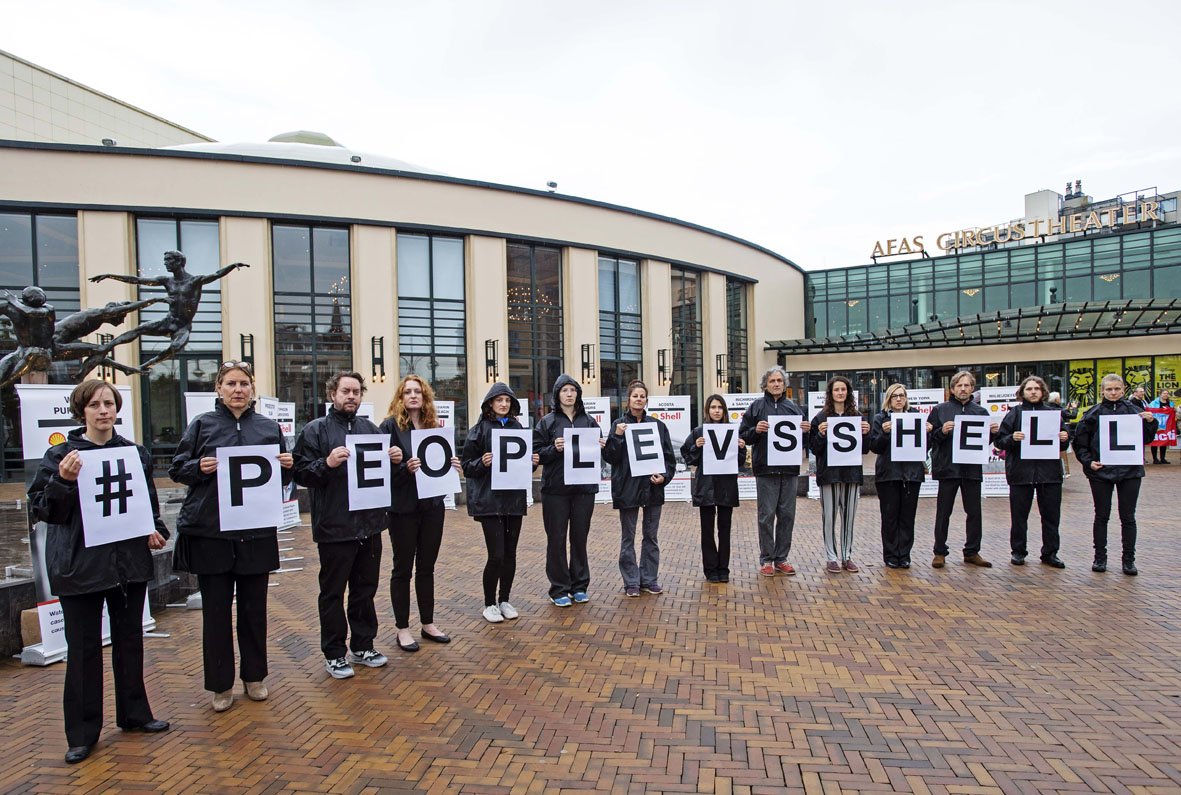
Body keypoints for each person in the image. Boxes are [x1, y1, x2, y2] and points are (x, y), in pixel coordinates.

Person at [28, 380, 170, 764]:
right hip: (80, 568)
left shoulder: (134, 453)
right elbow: (44, 512)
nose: (103, 410)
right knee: (85, 651)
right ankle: (82, 733)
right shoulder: (60, 455)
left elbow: (147, 504)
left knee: (130, 643)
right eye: (95, 405)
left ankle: (135, 714)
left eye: (109, 403)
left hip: (128, 566)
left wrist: (155, 529)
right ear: (82, 411)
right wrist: (64, 481)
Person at [170, 361, 292, 712]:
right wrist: (198, 468)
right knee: (216, 615)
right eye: (230, 384)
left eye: (244, 384)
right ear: (218, 388)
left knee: (255, 612)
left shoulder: (268, 428)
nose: (238, 390)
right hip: (213, 535)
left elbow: (281, 482)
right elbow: (177, 468)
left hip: (255, 535)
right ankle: (220, 685)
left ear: (252, 389)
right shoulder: (202, 426)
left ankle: (255, 677)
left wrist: (287, 468)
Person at [294, 371, 390, 678]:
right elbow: (299, 473)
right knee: (332, 592)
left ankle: (363, 646)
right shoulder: (315, 430)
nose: (351, 396)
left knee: (365, 589)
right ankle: (334, 652)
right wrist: (328, 463)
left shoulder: (372, 430)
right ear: (332, 394)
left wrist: (395, 459)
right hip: (335, 527)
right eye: (345, 391)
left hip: (370, 526)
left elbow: (382, 476)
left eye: (356, 392)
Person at [379, 375, 459, 651]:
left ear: (425, 397)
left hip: (432, 506)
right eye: (407, 392)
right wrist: (403, 469)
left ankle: (428, 623)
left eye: (418, 392)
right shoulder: (389, 427)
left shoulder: (432, 426)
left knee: (427, 566)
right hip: (402, 508)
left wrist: (451, 464)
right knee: (402, 568)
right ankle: (402, 628)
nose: (413, 396)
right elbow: (380, 471)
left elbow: (437, 464)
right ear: (400, 398)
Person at [85, 250, 248, 374]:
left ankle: (143, 366)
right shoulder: (166, 281)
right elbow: (137, 280)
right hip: (169, 320)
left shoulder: (194, 281)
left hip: (182, 326)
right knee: (139, 328)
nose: (165, 263)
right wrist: (110, 276)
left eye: (168, 260)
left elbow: (216, 274)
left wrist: (233, 266)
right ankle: (107, 347)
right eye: (165, 260)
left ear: (179, 262)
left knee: (174, 347)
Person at [463, 382, 538, 622]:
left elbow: (523, 465)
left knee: (510, 554)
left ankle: (504, 599)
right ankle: (489, 603)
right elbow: (467, 467)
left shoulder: (518, 428)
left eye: (507, 401)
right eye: (499, 400)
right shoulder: (479, 430)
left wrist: (534, 462)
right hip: (490, 501)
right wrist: (481, 463)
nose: (503, 404)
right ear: (490, 404)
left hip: (513, 501)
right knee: (496, 554)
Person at [1073, 373, 1157, 575]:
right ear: (1102, 390)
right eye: (1109, 389)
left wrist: (1150, 422)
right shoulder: (1093, 414)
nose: (1113, 393)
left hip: (1130, 472)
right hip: (1101, 472)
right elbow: (1080, 443)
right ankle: (1099, 558)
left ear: (1123, 390)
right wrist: (1088, 462)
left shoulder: (1135, 412)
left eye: (1117, 389)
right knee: (1101, 516)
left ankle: (1129, 560)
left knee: (1128, 517)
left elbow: (1146, 438)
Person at [534, 374, 604, 606]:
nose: (569, 394)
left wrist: (604, 444)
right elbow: (535, 455)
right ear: (557, 394)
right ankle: (559, 589)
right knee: (556, 538)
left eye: (573, 390)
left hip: (584, 489)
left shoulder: (590, 422)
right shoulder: (547, 422)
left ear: (578, 394)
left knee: (580, 538)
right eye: (564, 390)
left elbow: (600, 453)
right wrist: (553, 448)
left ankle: (580, 585)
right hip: (555, 489)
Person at [603, 380, 675, 597]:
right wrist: (616, 436)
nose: (639, 399)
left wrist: (664, 477)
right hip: (628, 489)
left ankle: (649, 579)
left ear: (646, 400)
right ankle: (631, 581)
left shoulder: (658, 426)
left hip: (652, 490)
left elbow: (669, 459)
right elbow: (610, 457)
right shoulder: (618, 425)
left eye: (642, 396)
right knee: (628, 538)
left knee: (651, 537)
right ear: (629, 399)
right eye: (635, 396)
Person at [738, 366, 810, 577]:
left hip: (789, 470)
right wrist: (755, 431)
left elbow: (804, 443)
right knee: (766, 515)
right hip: (766, 470)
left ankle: (782, 558)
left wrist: (807, 431)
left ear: (784, 384)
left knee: (787, 515)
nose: (776, 384)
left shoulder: (794, 409)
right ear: (765, 384)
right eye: (772, 381)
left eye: (779, 380)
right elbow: (743, 436)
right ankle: (767, 558)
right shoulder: (756, 407)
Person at [993, 376, 1070, 568]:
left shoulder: (1053, 414)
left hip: (1049, 473)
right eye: (1029, 389)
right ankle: (1018, 551)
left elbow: (1065, 444)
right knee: (1019, 516)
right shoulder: (1014, 414)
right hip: (1021, 472)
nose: (1033, 392)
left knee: (1051, 516)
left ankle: (1050, 553)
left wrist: (1064, 437)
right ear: (1023, 392)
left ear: (1043, 391)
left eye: (1036, 388)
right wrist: (1012, 438)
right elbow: (999, 441)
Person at [927, 370, 998, 568]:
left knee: (974, 512)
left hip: (971, 469)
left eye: (967, 385)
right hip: (948, 468)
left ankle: (972, 551)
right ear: (952, 388)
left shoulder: (980, 412)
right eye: (959, 385)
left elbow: (983, 443)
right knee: (943, 512)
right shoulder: (940, 410)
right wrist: (942, 431)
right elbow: (929, 439)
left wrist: (992, 434)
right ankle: (939, 552)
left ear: (972, 389)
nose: (963, 389)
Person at [809, 376, 870, 573]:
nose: (840, 393)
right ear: (831, 393)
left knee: (849, 517)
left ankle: (847, 555)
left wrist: (866, 433)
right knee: (829, 517)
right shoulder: (820, 418)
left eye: (843, 389)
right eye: (837, 390)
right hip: (829, 475)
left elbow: (865, 450)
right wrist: (819, 434)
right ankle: (831, 557)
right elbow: (814, 449)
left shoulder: (858, 417)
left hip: (851, 474)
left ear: (848, 393)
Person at [681, 394, 744, 583]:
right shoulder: (699, 432)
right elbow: (688, 458)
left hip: (726, 487)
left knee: (725, 530)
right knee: (707, 531)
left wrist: (741, 448)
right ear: (707, 410)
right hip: (706, 487)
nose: (716, 411)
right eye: (713, 407)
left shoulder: (732, 431)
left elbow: (739, 462)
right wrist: (696, 447)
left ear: (724, 410)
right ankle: (710, 569)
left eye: (720, 407)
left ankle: (723, 568)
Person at [867, 384, 928, 569]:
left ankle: (905, 554)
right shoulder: (880, 418)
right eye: (895, 396)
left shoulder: (915, 416)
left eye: (902, 396)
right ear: (889, 399)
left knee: (908, 517)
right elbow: (875, 447)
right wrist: (885, 434)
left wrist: (928, 431)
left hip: (911, 475)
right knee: (890, 516)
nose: (899, 399)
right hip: (889, 475)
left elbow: (925, 446)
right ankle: (891, 555)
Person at [1048, 391, 1073, 478]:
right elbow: (1073, 415)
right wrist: (1075, 408)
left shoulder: (1049, 408)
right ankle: (1065, 471)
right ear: (1056, 399)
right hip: (1060, 434)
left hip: (1053, 435)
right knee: (1063, 453)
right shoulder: (1060, 410)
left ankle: (1063, 471)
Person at [1148, 389, 1173, 464]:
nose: (1165, 395)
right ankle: (1155, 459)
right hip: (1156, 425)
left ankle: (1163, 458)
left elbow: (1172, 412)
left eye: (1167, 393)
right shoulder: (1154, 403)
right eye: (1164, 393)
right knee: (1155, 441)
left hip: (1166, 425)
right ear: (1160, 394)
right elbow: (1149, 410)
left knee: (1163, 442)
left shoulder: (1170, 403)